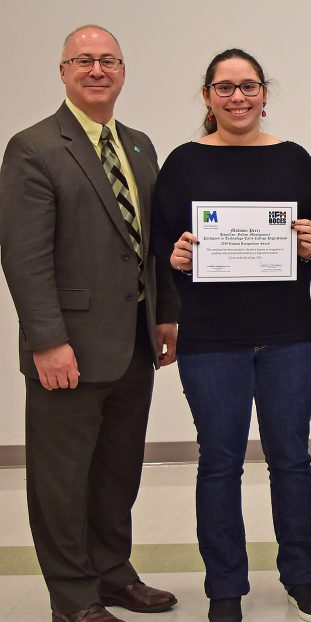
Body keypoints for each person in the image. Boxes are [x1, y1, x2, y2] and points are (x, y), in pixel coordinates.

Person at [0, 25, 179, 622]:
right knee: (61, 480)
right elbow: (23, 256)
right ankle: (73, 596)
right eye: (84, 60)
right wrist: (47, 341)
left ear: (123, 72)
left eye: (108, 60)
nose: (97, 69)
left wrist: (166, 315)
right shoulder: (34, 147)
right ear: (63, 70)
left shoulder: (139, 145)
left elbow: (149, 244)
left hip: (134, 342)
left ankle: (112, 573)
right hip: (68, 348)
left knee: (117, 470)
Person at [150, 49, 311, 622]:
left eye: (247, 86)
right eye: (224, 88)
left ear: (263, 93)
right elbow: (164, 246)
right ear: (207, 97)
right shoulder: (182, 162)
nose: (238, 97)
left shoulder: (295, 159)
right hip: (211, 340)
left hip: (289, 337)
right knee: (220, 463)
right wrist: (177, 254)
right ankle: (224, 586)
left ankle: (301, 574)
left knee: (291, 460)